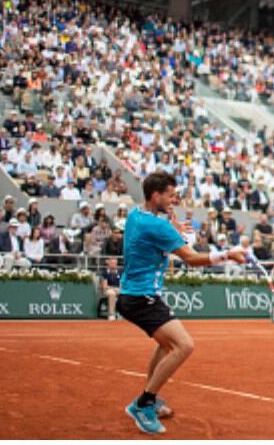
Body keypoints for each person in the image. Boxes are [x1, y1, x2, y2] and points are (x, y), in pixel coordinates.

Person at [117, 171, 247, 435]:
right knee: (183, 345)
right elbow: (191, 259)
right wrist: (227, 255)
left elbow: (152, 238)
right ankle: (143, 404)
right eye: (170, 195)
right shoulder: (158, 226)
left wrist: (172, 231)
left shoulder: (135, 215)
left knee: (167, 345)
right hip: (141, 298)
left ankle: (149, 397)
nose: (174, 200)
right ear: (156, 195)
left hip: (135, 294)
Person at [100, 257, 121, 322]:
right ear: (108, 263)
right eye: (112, 263)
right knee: (112, 293)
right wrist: (114, 288)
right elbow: (105, 286)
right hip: (107, 290)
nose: (113, 264)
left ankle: (122, 314)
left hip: (118, 289)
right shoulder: (105, 273)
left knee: (125, 293)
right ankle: (111, 314)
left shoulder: (120, 272)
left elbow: (122, 284)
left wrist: (119, 289)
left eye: (115, 263)